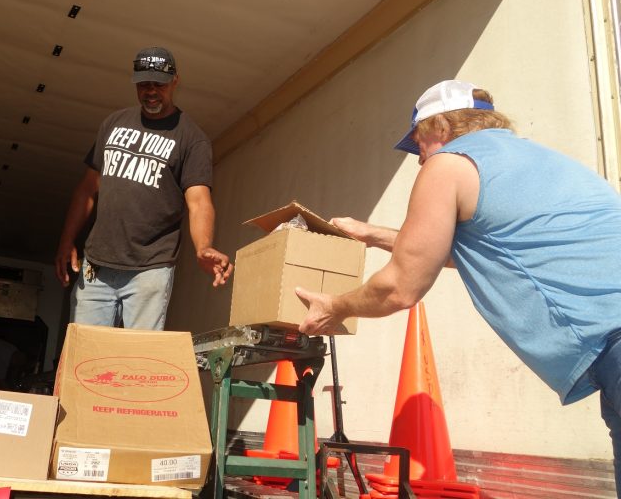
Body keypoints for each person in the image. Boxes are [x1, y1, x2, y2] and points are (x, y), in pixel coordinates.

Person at [296, 80, 621, 490]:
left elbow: (401, 287)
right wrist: (370, 233)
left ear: (441, 127)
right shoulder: (540, 160)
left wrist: (335, 306)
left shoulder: (448, 163)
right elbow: (476, 251)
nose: (419, 160)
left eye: (418, 144)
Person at [55, 46, 233, 330]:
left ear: (175, 81)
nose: (151, 91)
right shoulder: (113, 123)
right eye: (144, 84)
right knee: (85, 355)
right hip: (97, 266)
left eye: (159, 84)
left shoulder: (192, 139)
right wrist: (67, 241)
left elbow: (199, 202)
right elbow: (88, 190)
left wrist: (204, 247)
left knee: (137, 360)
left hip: (150, 269)